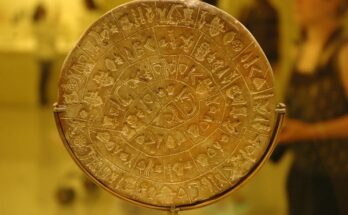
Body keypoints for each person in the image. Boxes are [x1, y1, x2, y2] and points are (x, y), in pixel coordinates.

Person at [278, 0, 348, 214]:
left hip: (337, 181)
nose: (297, 2)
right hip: (301, 175)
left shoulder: (343, 53)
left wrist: (307, 132)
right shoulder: (298, 50)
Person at [239, 0, 280, 69]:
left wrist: (275, 60)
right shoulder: (247, 11)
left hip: (263, 57)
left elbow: (274, 39)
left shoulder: (271, 11)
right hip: (251, 57)